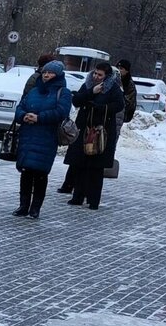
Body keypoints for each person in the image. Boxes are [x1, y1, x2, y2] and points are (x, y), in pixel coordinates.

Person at [12, 60, 72, 219]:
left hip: (46, 137)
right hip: (28, 136)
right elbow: (20, 108)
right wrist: (24, 116)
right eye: (45, 72)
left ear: (58, 75)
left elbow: (61, 112)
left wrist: (39, 118)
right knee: (25, 173)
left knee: (40, 173)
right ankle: (23, 206)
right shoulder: (33, 91)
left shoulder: (63, 92)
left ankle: (35, 208)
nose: (46, 75)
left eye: (50, 72)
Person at [63, 61, 124, 209]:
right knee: (80, 165)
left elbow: (119, 105)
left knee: (96, 168)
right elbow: (76, 100)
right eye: (95, 73)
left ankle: (93, 199)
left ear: (106, 76)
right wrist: (91, 92)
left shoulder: (113, 88)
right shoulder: (88, 84)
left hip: (101, 130)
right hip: (83, 128)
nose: (96, 76)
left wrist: (102, 108)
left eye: (100, 75)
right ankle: (77, 196)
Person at [116, 59, 138, 135]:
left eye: (121, 69)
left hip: (119, 114)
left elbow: (129, 102)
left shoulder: (129, 84)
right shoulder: (113, 79)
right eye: (117, 68)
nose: (119, 70)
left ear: (127, 71)